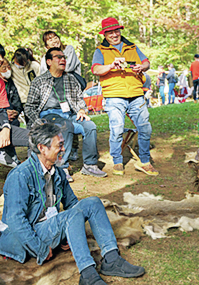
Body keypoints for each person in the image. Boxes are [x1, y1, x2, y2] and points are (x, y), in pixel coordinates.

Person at [0, 122, 146, 285]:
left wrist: (70, 232)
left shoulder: (57, 172)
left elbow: (72, 204)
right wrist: (39, 249)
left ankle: (111, 259)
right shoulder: (20, 175)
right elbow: (15, 220)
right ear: (42, 148)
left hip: (47, 226)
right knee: (71, 216)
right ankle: (88, 274)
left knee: (93, 203)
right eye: (60, 145)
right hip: (21, 236)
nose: (64, 149)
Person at [25, 47, 107, 182]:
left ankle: (90, 164)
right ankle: (61, 167)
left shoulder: (70, 79)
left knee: (89, 125)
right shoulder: (39, 81)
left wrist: (82, 110)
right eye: (58, 57)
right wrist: (38, 122)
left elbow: (80, 101)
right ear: (49, 62)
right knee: (65, 125)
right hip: (48, 115)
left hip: (69, 114)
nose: (63, 59)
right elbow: (29, 107)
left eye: (64, 57)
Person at [91, 17, 157, 177]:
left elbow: (146, 62)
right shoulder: (100, 50)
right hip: (114, 95)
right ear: (105, 35)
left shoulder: (132, 46)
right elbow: (96, 70)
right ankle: (117, 160)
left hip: (136, 93)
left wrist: (143, 67)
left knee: (145, 127)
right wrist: (111, 66)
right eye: (110, 32)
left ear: (119, 30)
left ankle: (144, 161)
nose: (114, 34)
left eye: (116, 31)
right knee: (117, 128)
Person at [40, 31, 83, 162]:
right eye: (50, 40)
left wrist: (53, 68)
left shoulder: (68, 50)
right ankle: (61, 149)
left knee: (74, 116)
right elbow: (42, 75)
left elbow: (67, 67)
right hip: (56, 93)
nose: (54, 41)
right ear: (46, 45)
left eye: (55, 37)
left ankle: (74, 148)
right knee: (63, 121)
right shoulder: (44, 58)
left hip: (71, 90)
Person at [0, 58, 24, 127]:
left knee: (15, 123)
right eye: (4, 68)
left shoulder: (11, 82)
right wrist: (4, 113)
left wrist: (16, 112)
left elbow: (16, 100)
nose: (7, 70)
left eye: (9, 67)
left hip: (11, 118)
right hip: (2, 115)